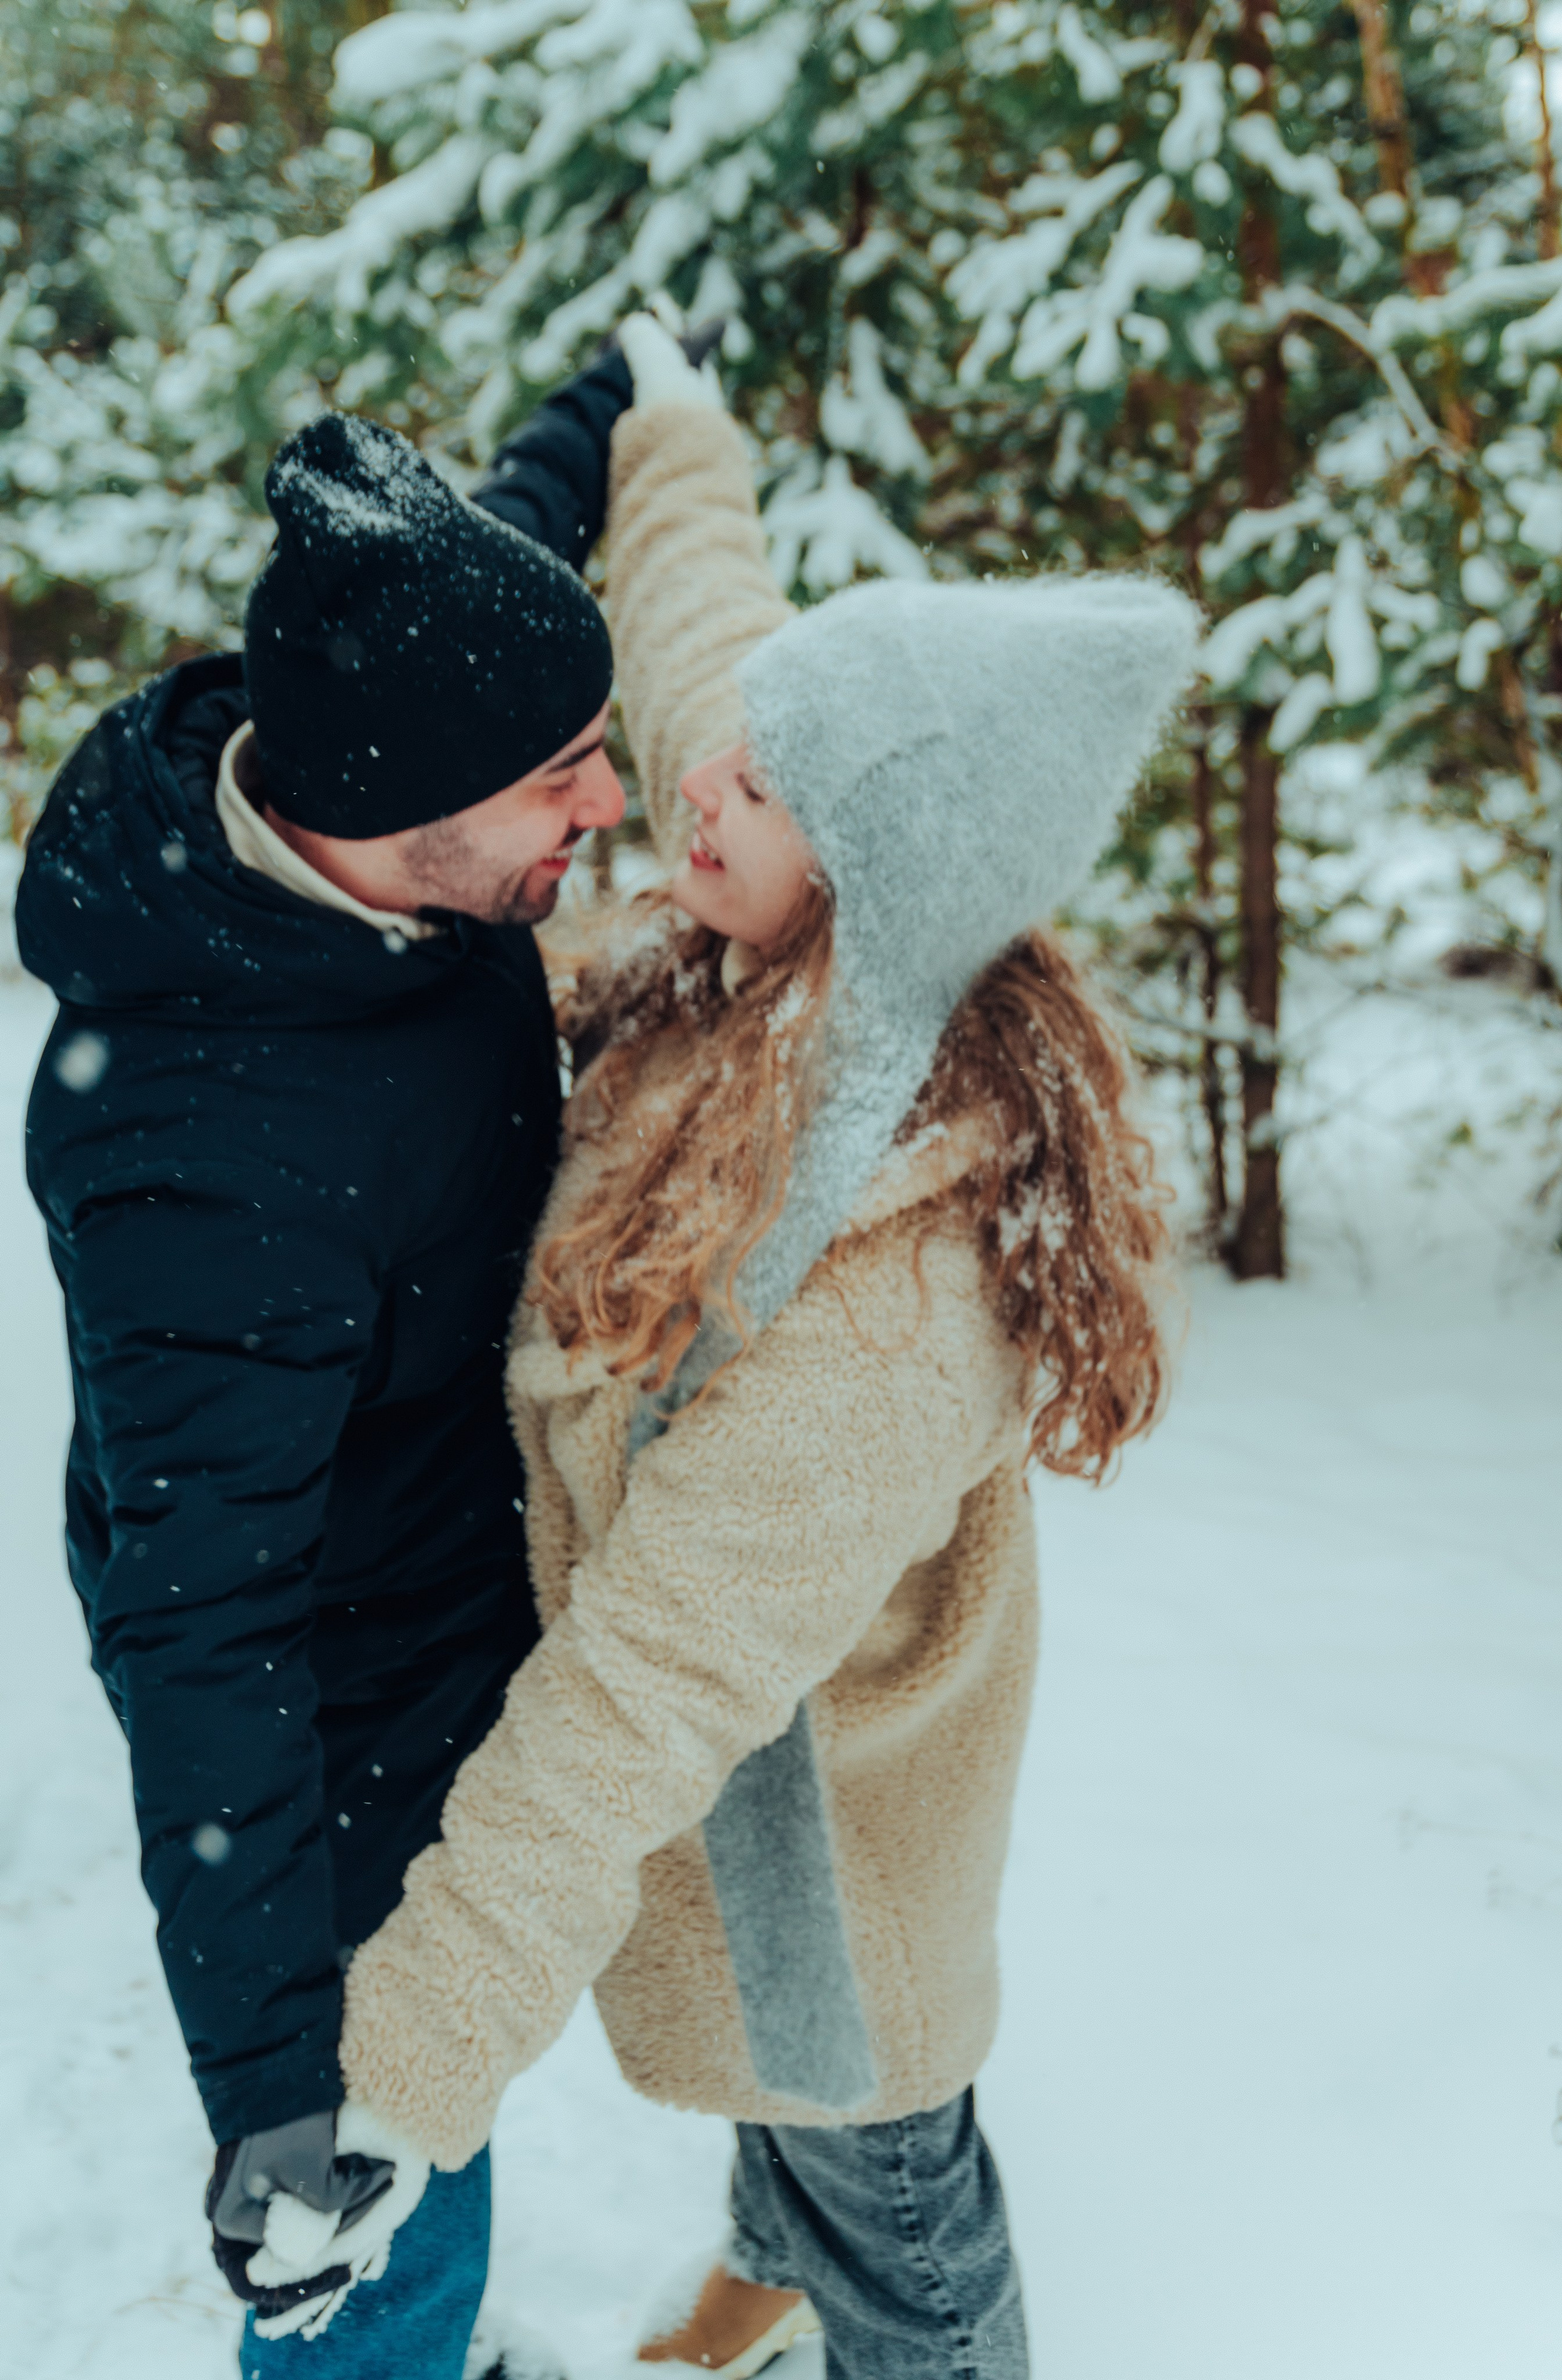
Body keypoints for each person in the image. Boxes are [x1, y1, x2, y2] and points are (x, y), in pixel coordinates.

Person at [269, 319, 1199, 2379]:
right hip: (748, 1781)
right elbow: (713, 621)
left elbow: (639, 1694)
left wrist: (395, 2085)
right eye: (739, 743)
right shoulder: (787, 901)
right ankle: (758, 2296)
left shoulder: (886, 1293)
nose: (694, 770)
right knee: (813, 2135)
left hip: (821, 1859)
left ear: (867, 876)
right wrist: (673, 414)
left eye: (756, 780)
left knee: (892, 2181)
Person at [16, 347, 649, 2350]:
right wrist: (277, 2099)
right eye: (564, 778)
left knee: (441, 2119)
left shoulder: (392, 736)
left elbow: (511, 552)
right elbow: (204, 1636)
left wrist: (605, 403)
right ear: (402, 811)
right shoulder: (204, 1170)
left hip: (440, 1549)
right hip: (338, 1689)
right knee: (394, 2153)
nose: (609, 802)